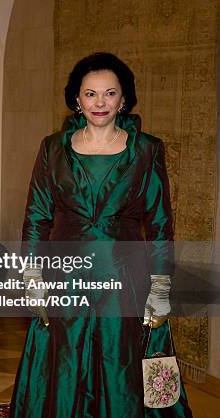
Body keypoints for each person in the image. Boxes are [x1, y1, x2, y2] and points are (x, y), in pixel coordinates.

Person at [10, 52, 193, 417]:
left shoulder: (146, 150)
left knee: (119, 366)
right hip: (64, 278)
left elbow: (159, 223)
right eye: (90, 94)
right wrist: (32, 276)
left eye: (109, 93)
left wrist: (160, 288)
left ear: (123, 99)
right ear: (76, 99)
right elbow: (36, 216)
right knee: (64, 365)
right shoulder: (52, 149)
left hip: (124, 281)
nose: (100, 102)